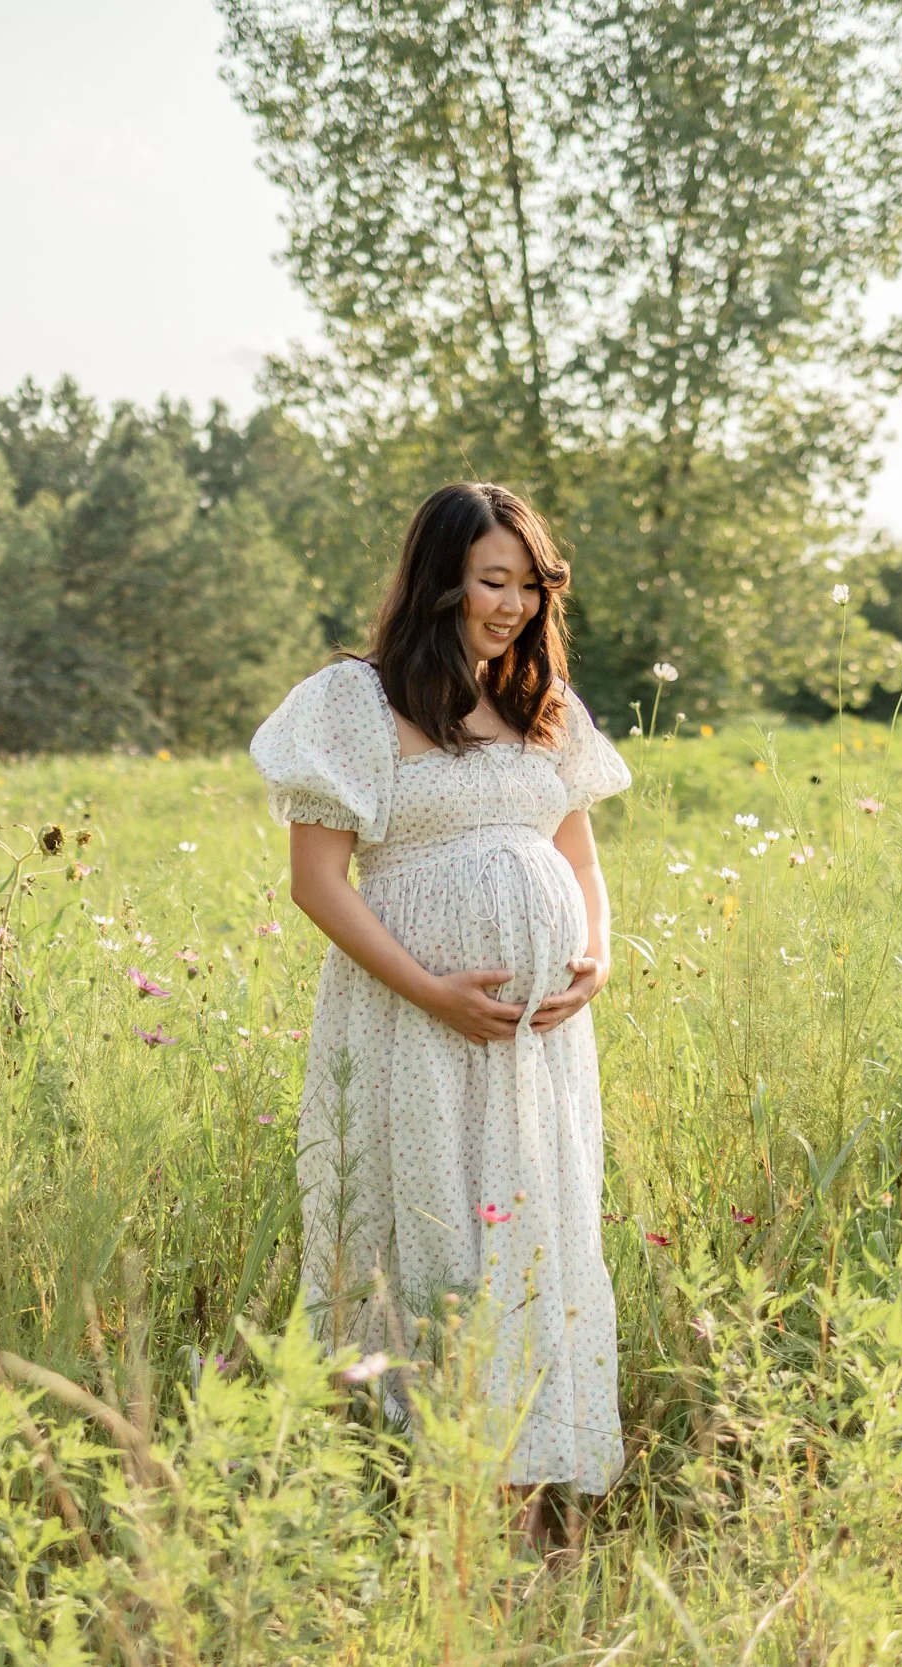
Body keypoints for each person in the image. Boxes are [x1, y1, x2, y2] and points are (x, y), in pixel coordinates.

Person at [249, 481, 631, 1549]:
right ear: (439, 579)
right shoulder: (354, 703)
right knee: (432, 1234)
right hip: (415, 1020)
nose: (510, 605)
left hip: (536, 1044)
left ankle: (514, 1508)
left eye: (527, 584)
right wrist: (427, 987)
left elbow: (579, 857)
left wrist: (593, 956)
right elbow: (318, 882)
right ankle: (418, 1496)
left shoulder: (542, 702)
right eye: (489, 581)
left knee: (529, 1232)